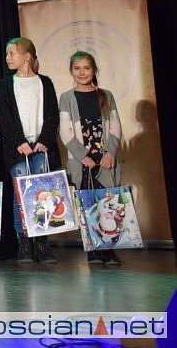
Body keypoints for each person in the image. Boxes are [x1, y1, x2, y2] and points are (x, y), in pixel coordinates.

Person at [0, 37, 61, 264]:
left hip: (41, 148)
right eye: (7, 54)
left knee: (43, 192)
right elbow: (4, 117)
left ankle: (42, 242)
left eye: (11, 53)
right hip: (18, 149)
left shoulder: (44, 82)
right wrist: (18, 141)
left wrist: (45, 140)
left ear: (27, 57)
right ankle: (24, 240)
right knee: (21, 195)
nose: (7, 58)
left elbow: (52, 114)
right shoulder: (5, 85)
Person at [59, 51, 123, 266]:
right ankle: (93, 249)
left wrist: (110, 152)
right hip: (82, 161)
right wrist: (82, 155)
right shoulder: (67, 98)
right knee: (87, 204)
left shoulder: (106, 95)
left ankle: (109, 249)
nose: (82, 72)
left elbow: (115, 127)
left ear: (94, 70)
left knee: (108, 203)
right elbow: (65, 131)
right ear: (71, 71)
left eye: (86, 68)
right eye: (77, 68)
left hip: (104, 159)